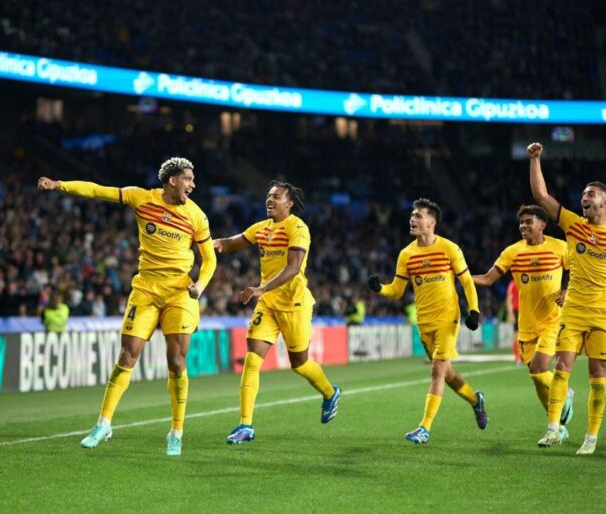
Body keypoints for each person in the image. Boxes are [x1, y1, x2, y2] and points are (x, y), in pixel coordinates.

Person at [38, 157, 216, 456]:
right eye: (188, 178)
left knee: (176, 360)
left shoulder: (196, 216)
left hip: (179, 292)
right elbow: (97, 191)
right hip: (145, 288)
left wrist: (200, 285)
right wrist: (60, 185)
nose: (192, 184)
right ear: (172, 180)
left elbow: (209, 258)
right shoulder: (140, 197)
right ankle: (104, 423)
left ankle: (176, 431)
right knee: (127, 354)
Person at [526, 142, 606, 455]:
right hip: (574, 310)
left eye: (590, 194)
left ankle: (591, 437)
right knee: (562, 366)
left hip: (604, 313)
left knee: (597, 375)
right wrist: (535, 159)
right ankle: (553, 427)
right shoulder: (573, 226)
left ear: (605, 202)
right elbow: (542, 197)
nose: (584, 198)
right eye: (583, 195)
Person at [215, 181, 341, 444]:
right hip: (268, 305)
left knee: (300, 364)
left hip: (294, 304)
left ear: (290, 203)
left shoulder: (298, 228)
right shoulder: (261, 228)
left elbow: (294, 267)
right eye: (268, 196)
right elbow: (229, 244)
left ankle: (330, 393)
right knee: (252, 360)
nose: (269, 200)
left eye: (276, 197)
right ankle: (245, 425)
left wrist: (261, 288)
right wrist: (208, 242)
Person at [367, 198, 488, 445]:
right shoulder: (407, 254)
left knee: (437, 370)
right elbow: (398, 290)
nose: (412, 219)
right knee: (447, 374)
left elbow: (466, 282)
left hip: (448, 318)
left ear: (432, 222)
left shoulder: (449, 248)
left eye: (418, 215)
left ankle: (424, 428)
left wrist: (473, 310)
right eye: (412, 215)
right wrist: (380, 289)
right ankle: (476, 401)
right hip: (424, 321)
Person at [473, 205, 574, 437]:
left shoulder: (559, 247)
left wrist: (567, 289)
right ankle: (557, 426)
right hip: (527, 326)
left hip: (552, 321)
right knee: (537, 380)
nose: (523, 226)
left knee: (540, 370)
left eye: (529, 222)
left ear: (542, 224)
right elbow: (488, 279)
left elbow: (577, 270)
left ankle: (565, 391)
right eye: (521, 223)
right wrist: (460, 276)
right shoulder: (512, 252)